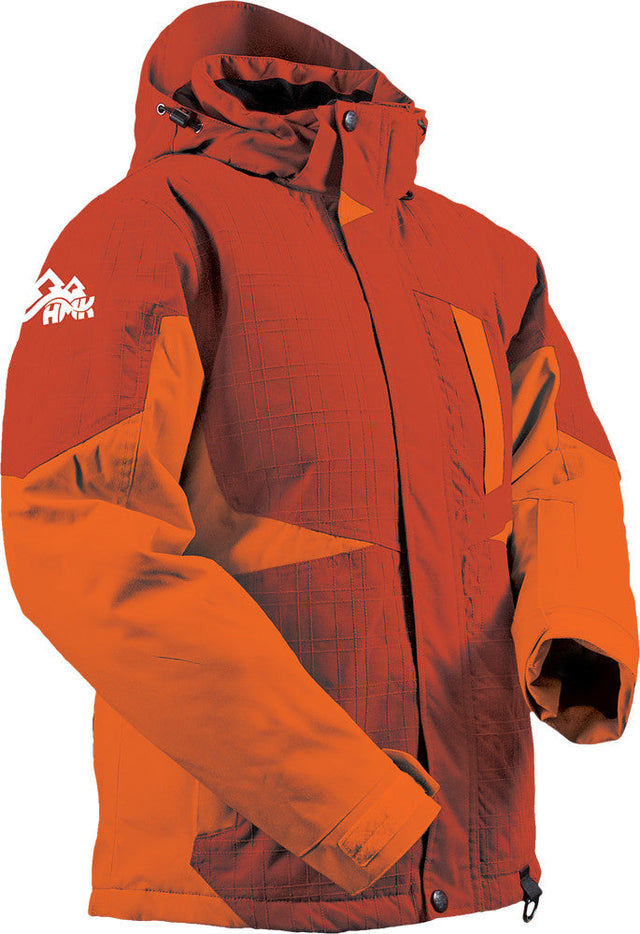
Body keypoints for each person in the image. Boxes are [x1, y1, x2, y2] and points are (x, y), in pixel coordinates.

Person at [1, 2, 637, 931]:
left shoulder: (489, 261)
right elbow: (79, 531)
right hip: (234, 877)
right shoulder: (147, 229)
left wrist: (580, 630)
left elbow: (563, 470)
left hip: (476, 858)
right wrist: (343, 798)